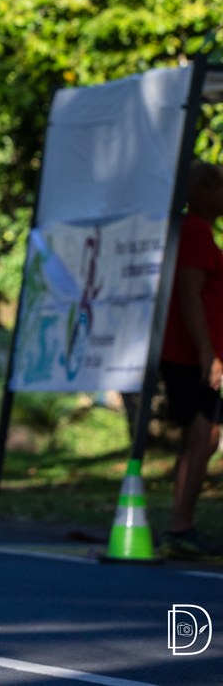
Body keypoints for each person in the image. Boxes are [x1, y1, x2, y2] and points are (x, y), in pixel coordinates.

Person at [159, 162, 223, 558]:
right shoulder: (195, 231)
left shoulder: (198, 232)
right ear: (202, 190)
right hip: (191, 356)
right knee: (204, 434)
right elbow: (188, 292)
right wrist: (208, 352)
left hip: (193, 354)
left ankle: (181, 523)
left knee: (203, 435)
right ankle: (181, 525)